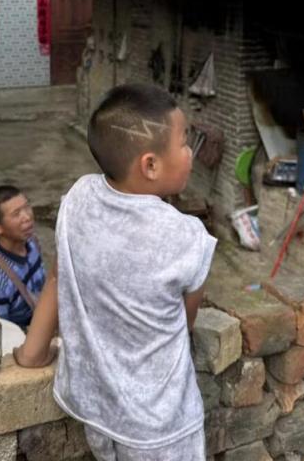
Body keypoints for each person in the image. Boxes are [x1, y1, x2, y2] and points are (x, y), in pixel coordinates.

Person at [48, 84, 217, 461]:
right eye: (184, 143)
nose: (190, 153)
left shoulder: (78, 198)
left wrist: (32, 350)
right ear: (150, 165)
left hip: (97, 411)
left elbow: (58, 276)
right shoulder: (187, 236)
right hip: (162, 430)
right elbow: (185, 322)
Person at [0, 185, 46, 329]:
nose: (27, 217)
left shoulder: (31, 240)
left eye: (27, 207)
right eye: (16, 214)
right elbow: (2, 331)